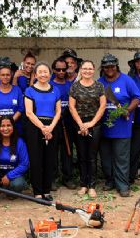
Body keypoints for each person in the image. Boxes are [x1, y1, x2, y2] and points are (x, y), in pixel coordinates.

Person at [97, 54, 140, 197]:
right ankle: (110, 181)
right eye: (106, 67)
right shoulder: (99, 82)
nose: (109, 69)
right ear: (102, 68)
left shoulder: (127, 81)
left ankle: (122, 185)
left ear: (116, 66)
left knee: (121, 157)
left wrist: (127, 110)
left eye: (112, 66)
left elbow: (137, 98)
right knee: (106, 158)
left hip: (122, 127)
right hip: (104, 127)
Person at [68, 60, 106, 198]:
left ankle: (92, 185)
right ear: (81, 70)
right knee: (81, 155)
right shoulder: (75, 87)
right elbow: (72, 107)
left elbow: (102, 106)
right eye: (85, 68)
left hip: (94, 124)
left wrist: (91, 123)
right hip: (78, 124)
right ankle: (83, 184)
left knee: (92, 156)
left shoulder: (99, 86)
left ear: (94, 70)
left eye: (90, 68)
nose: (87, 71)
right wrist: (81, 124)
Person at [24, 61, 61, 201]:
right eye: (40, 72)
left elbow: (58, 111)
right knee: (36, 159)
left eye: (45, 71)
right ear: (35, 74)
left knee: (49, 159)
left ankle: (46, 190)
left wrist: (50, 127)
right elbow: (28, 112)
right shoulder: (30, 90)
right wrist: (42, 128)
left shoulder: (55, 90)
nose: (43, 74)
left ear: (50, 74)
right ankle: (37, 192)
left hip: (52, 126)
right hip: (35, 126)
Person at [50, 57, 74, 189]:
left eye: (63, 69)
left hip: (68, 123)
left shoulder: (70, 85)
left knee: (67, 151)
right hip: (53, 123)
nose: (61, 72)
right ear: (53, 70)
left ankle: (68, 178)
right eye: (58, 69)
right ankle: (52, 178)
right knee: (52, 152)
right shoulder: (48, 85)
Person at [0, 59, 24, 133]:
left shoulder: (17, 90)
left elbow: (21, 108)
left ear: (11, 75)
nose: (5, 77)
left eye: (7, 75)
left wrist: (11, 121)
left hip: (15, 126)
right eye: (3, 75)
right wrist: (3, 121)